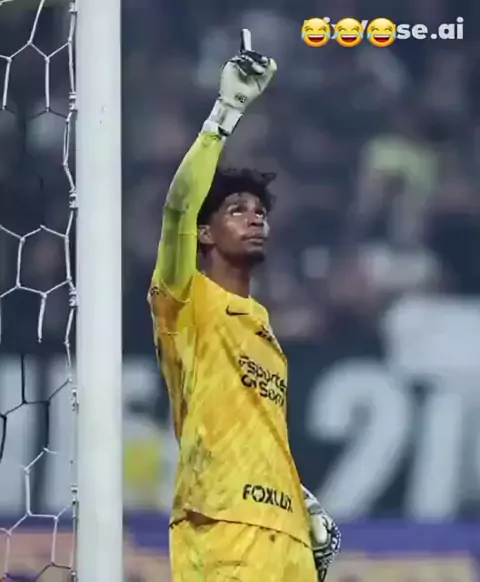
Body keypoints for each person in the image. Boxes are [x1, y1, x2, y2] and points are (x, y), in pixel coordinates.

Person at [148, 30, 340, 582]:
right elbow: (178, 210)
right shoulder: (186, 300)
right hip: (222, 525)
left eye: (260, 211)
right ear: (205, 233)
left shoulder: (266, 332)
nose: (256, 217)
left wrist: (301, 499)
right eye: (237, 209)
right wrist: (225, 113)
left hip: (287, 539)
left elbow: (256, 433)